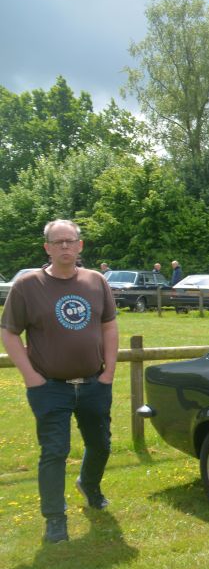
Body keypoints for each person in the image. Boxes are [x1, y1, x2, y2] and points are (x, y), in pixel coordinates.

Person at [0, 219, 118, 544]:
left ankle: (89, 485)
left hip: (95, 383)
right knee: (54, 451)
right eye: (58, 242)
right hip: (50, 387)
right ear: (47, 248)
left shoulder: (96, 282)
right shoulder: (27, 286)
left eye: (70, 241)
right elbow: (9, 333)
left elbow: (109, 326)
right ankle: (55, 518)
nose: (65, 246)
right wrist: (31, 377)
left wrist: (108, 372)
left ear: (80, 246)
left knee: (101, 444)